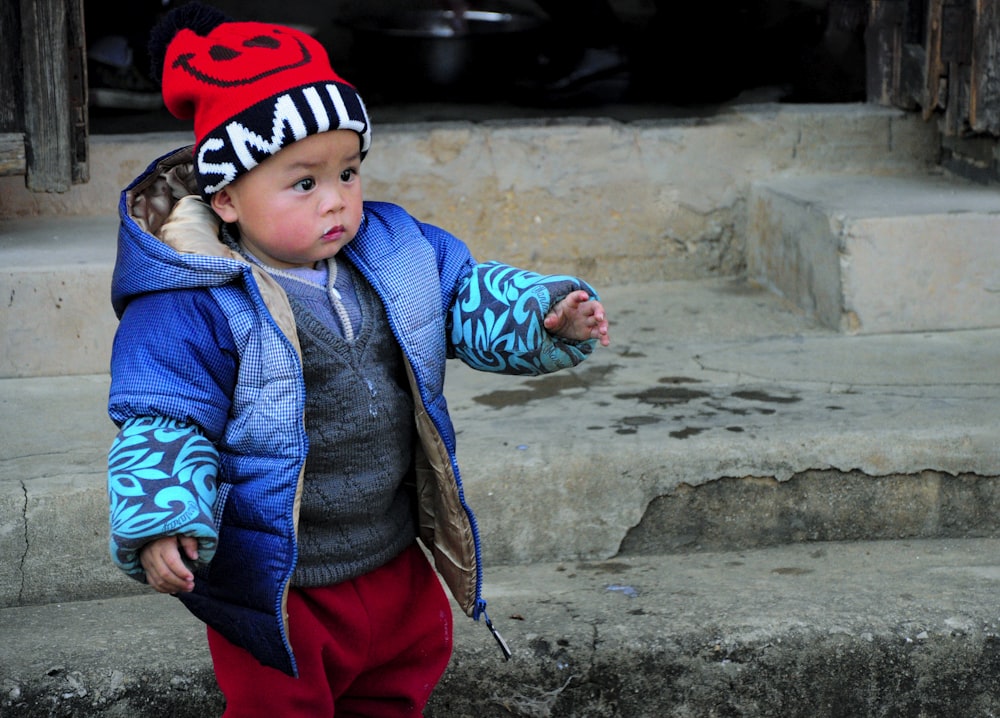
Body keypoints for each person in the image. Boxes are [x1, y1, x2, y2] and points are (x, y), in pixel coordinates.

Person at [104, 2, 611, 716]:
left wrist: (543, 314)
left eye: (348, 172)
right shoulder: (191, 302)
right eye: (303, 183)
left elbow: (465, 296)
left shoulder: (396, 250)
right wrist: (162, 515)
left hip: (392, 551)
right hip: (281, 579)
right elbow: (163, 414)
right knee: (281, 706)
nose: (337, 202)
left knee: (397, 689)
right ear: (225, 200)